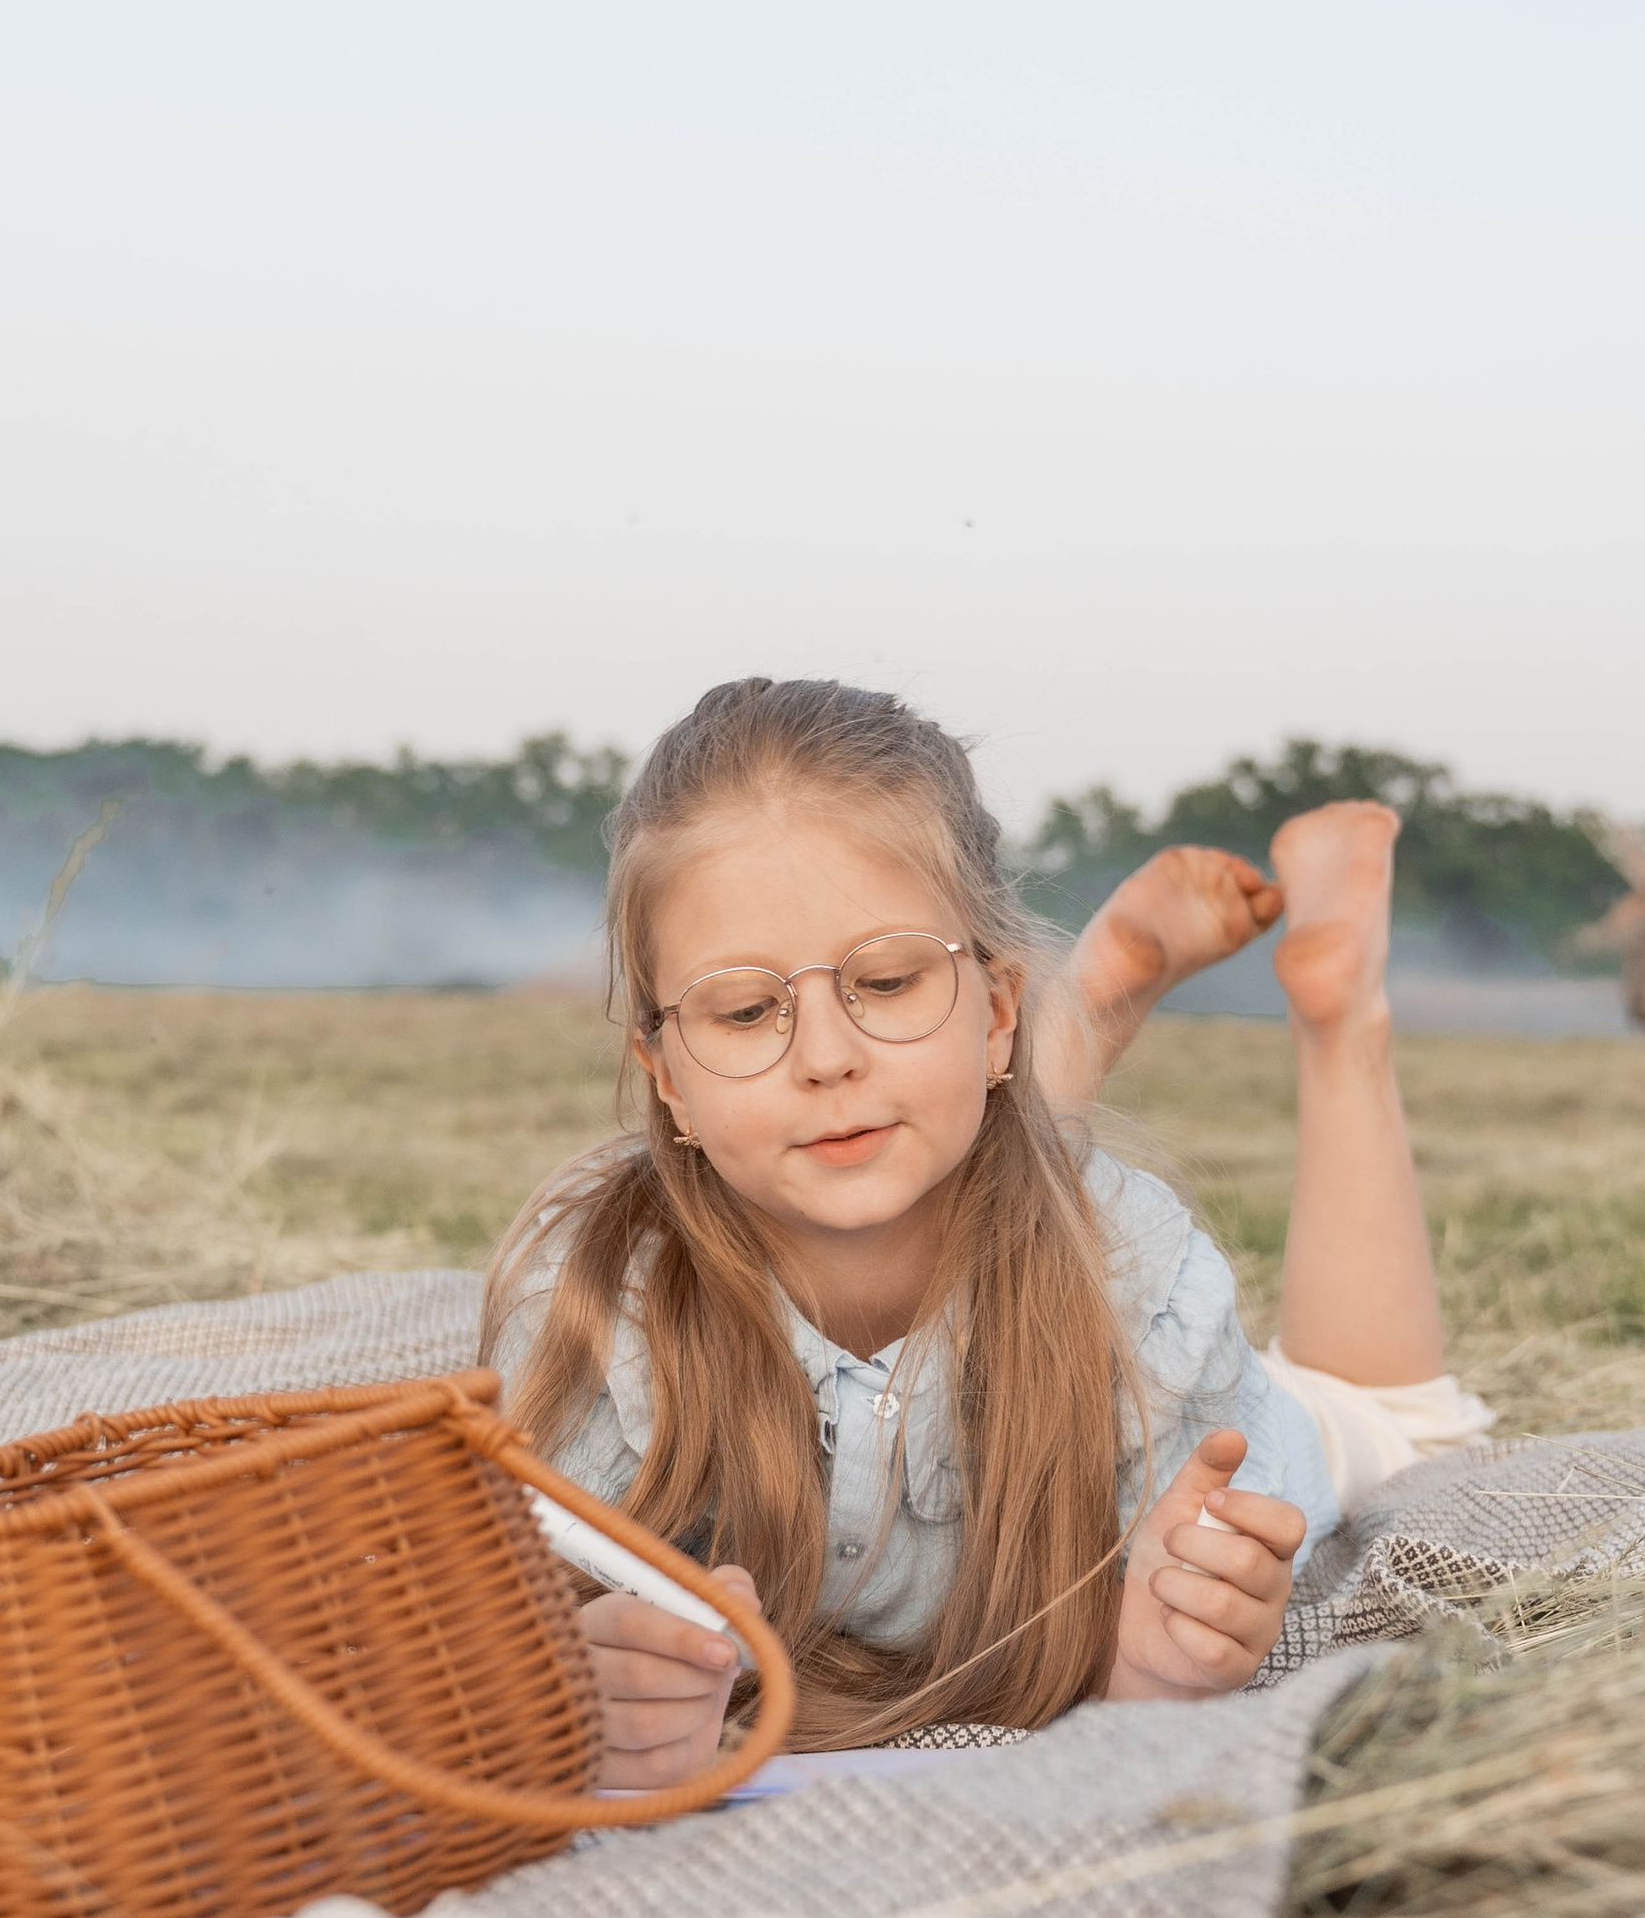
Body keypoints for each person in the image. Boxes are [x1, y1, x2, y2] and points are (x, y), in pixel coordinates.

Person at [485, 678, 1487, 1788]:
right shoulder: (598, 1312)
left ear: (1004, 1009)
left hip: (1064, 1255)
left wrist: (1160, 1659)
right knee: (931, 1124)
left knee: (1392, 1417)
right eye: (744, 1008)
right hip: (981, 1145)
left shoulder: (1130, 1289)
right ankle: (1091, 988)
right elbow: (522, 1644)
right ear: (664, 1074)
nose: (822, 1053)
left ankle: (1341, 1018)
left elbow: (1143, 1653)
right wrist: (599, 1694)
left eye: (886, 977)